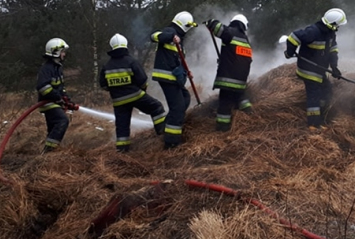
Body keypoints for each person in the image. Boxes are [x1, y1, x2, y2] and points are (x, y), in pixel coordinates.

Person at [99, 34, 167, 152]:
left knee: (122, 127)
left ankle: (122, 150)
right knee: (156, 107)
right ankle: (162, 134)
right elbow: (142, 80)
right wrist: (142, 91)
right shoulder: (131, 61)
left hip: (118, 101)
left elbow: (104, 85)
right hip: (135, 95)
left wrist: (116, 91)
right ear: (125, 45)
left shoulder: (107, 66)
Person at [284, 8, 346, 130]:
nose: (339, 28)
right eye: (338, 25)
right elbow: (293, 36)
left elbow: (333, 51)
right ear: (332, 24)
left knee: (327, 90)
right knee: (314, 95)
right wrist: (290, 52)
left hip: (320, 70)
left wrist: (334, 67)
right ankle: (313, 124)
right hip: (308, 70)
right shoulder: (314, 31)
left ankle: (321, 117)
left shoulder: (330, 34)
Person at [150, 11, 197, 149]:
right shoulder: (169, 31)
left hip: (174, 78)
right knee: (177, 107)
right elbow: (153, 36)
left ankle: (166, 125)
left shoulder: (180, 42)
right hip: (166, 76)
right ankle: (171, 142)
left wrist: (186, 72)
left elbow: (178, 62)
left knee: (185, 98)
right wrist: (171, 36)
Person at [203, 14, 253, 131]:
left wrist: (210, 21)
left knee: (224, 104)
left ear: (234, 22)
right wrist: (224, 58)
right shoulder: (246, 40)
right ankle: (250, 115)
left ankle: (222, 128)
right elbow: (239, 58)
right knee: (241, 97)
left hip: (228, 80)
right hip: (241, 81)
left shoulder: (231, 33)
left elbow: (218, 28)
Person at [36, 38, 78, 153]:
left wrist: (68, 100)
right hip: (48, 103)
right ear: (56, 52)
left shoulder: (57, 68)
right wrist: (58, 97)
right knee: (62, 121)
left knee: (53, 128)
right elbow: (43, 87)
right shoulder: (46, 69)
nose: (64, 54)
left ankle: (49, 154)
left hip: (54, 102)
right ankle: (49, 151)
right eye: (62, 51)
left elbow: (61, 88)